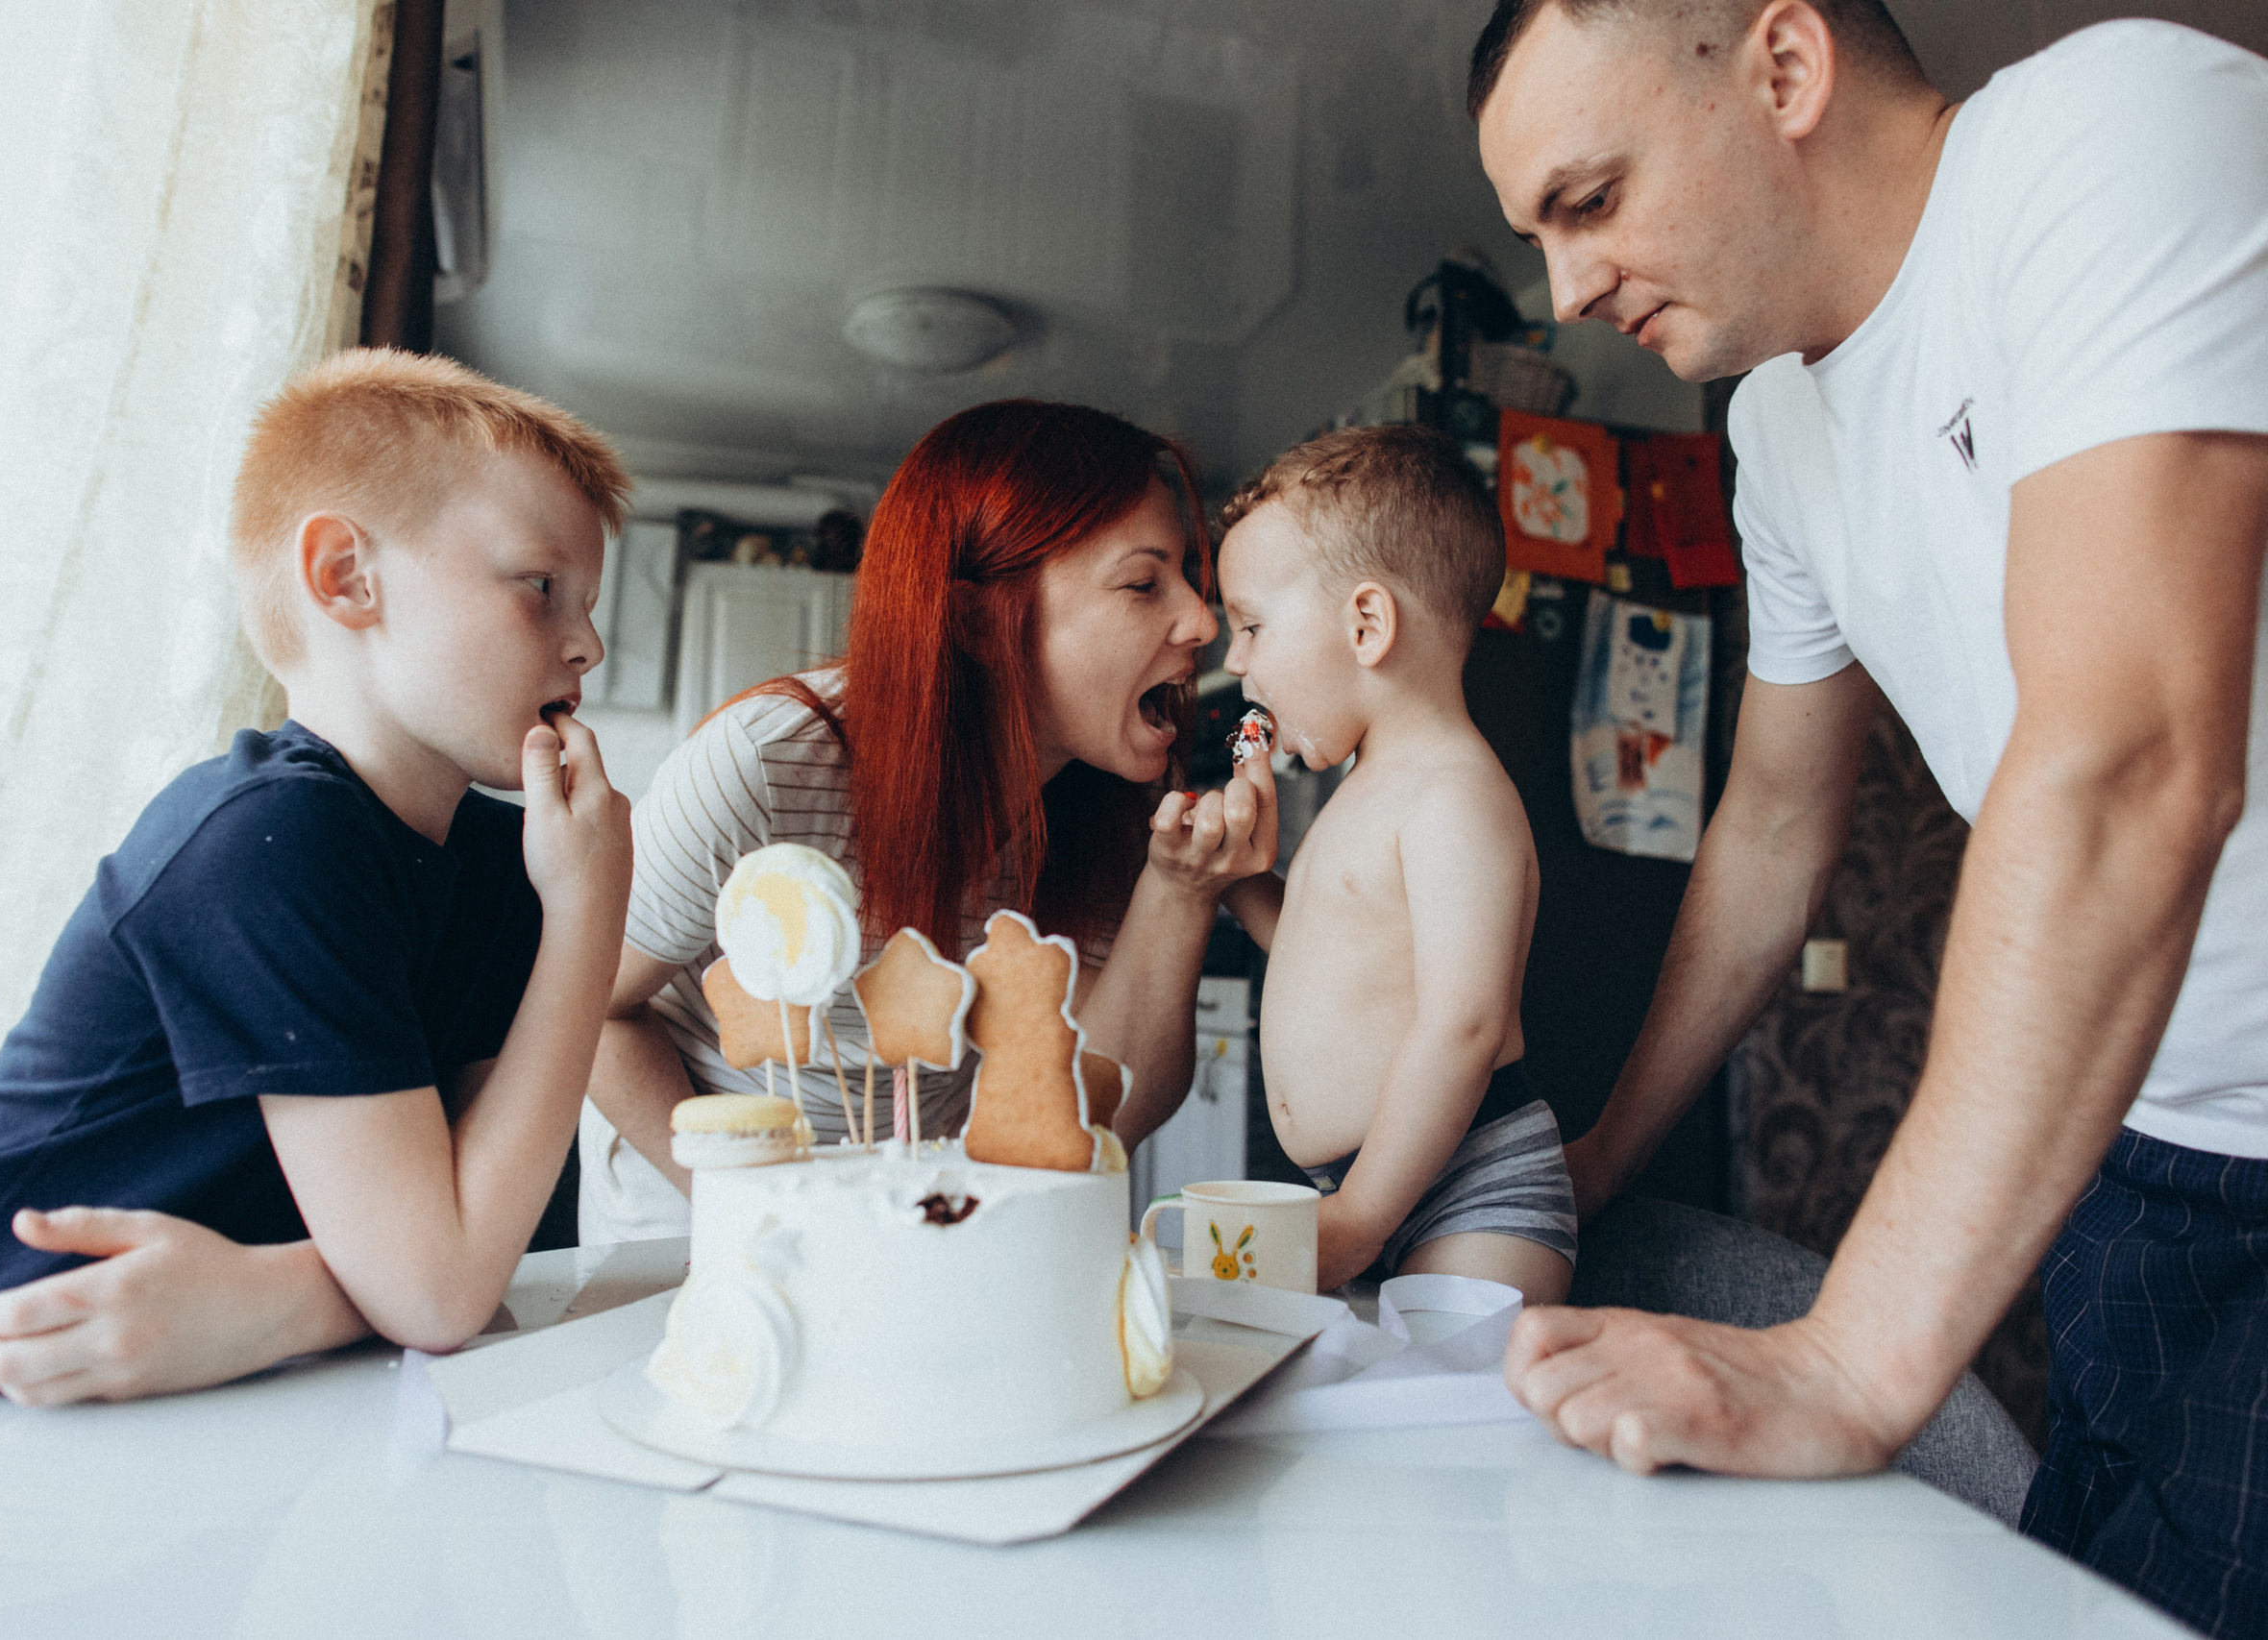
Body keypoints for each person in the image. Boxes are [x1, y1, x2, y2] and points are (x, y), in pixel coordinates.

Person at [1468, 2, 2268, 1630]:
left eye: (1590, 199)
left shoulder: (2109, 127)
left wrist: (1850, 1356)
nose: (1568, 289)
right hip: (2135, 1146)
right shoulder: (1775, 433)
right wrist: (1608, 1151)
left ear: (1783, 67)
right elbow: (1769, 832)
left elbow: (2129, 762)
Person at [0, 350, 634, 1436]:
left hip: (149, 1424)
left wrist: (274, 1304)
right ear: (345, 576)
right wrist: (588, 917)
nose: (588, 640)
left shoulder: (500, 865)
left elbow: (501, 1246)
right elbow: (440, 1290)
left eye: (587, 601)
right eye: (539, 586)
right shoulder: (272, 836)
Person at [578, 400, 1275, 1234]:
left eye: (1190, 580)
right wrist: (741, 1210)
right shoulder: (764, 764)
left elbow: (1104, 1107)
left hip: (909, 1217)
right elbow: (589, 1009)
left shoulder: (1102, 807)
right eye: (1142, 583)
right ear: (982, 620)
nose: (1203, 621)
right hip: (693, 1219)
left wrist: (1180, 892)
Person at [1214, 426, 1574, 1301]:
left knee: (1457, 1418)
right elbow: (1326, 959)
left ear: (1368, 624)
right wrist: (1236, 878)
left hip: (1473, 1188)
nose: (1234, 663)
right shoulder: (1365, 786)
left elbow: (1465, 1024)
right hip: (1356, 1188)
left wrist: (1360, 1221)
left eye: (1253, 626)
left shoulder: (1453, 794)